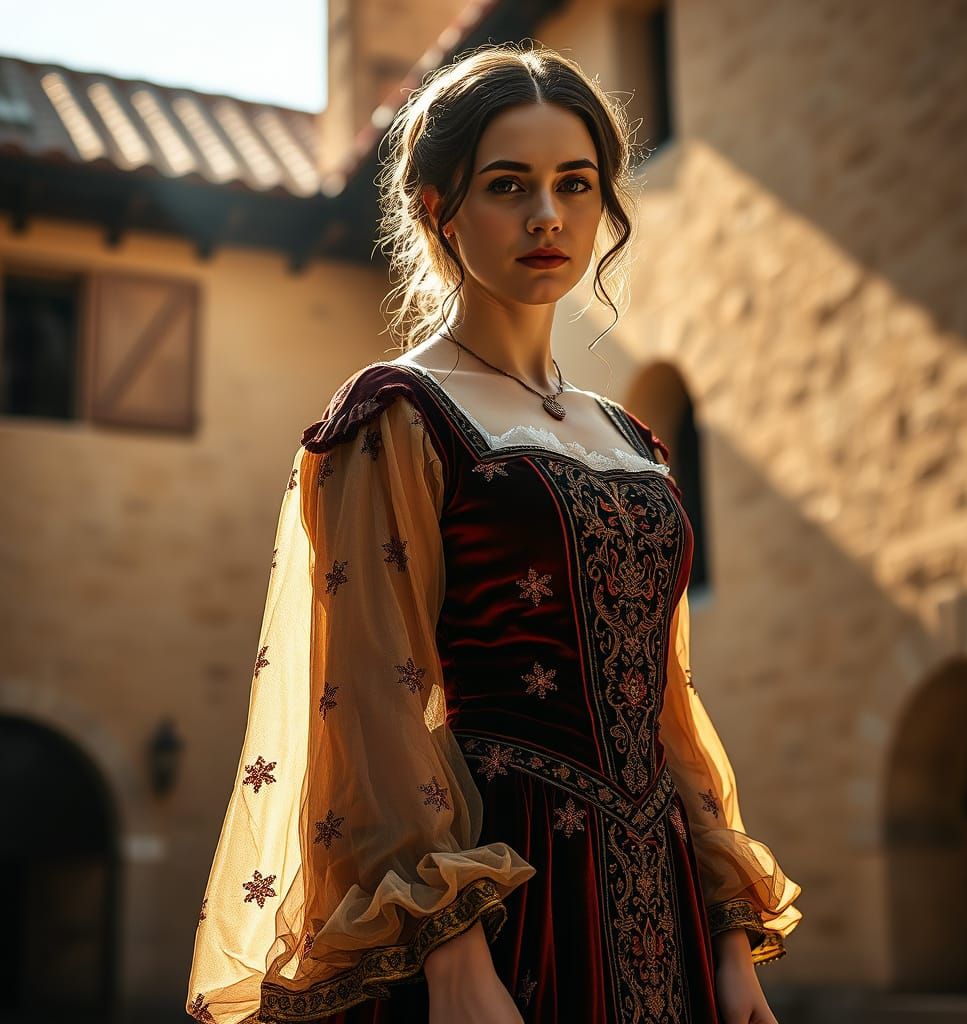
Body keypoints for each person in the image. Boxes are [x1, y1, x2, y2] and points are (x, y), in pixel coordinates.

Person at [185, 42, 801, 1024]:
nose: (547, 215)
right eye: (508, 185)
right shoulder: (394, 415)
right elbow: (370, 706)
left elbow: (669, 710)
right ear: (438, 207)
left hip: (667, 904)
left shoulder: (632, 438)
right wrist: (454, 962)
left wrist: (731, 945)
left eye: (575, 184)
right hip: (510, 905)